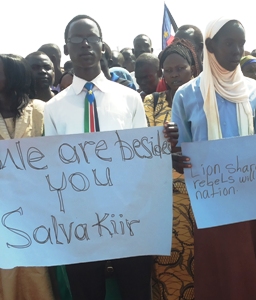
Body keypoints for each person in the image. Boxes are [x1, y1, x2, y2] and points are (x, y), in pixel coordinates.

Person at [44, 14, 157, 300]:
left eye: (91, 37)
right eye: (76, 39)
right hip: (79, 222)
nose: (85, 44)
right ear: (66, 48)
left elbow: (141, 161)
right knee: (86, 292)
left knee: (135, 291)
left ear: (102, 45)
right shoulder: (54, 108)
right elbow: (54, 168)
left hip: (127, 218)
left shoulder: (130, 98)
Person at [170, 17, 256, 300]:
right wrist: (175, 157)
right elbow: (181, 151)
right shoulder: (187, 94)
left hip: (250, 199)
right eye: (229, 43)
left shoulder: (253, 91)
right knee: (219, 270)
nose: (237, 50)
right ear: (210, 45)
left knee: (251, 265)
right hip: (211, 202)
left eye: (241, 44)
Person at [143, 38, 200, 300]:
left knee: (202, 267)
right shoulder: (151, 104)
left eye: (181, 68)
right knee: (167, 273)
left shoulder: (203, 99)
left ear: (193, 67)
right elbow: (141, 150)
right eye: (169, 70)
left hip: (200, 200)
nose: (175, 74)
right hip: (165, 206)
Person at [0, 54, 53, 300]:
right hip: (3, 215)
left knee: (37, 275)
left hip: (39, 213)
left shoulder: (41, 111)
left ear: (14, 76)